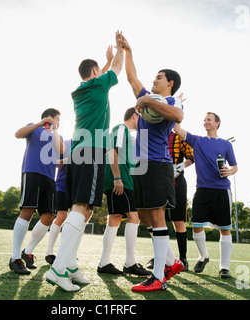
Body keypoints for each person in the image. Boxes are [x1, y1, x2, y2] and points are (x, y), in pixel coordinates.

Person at [45, 31, 125, 291]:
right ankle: (58, 269)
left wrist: (103, 63)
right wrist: (120, 49)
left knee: (86, 210)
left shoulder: (82, 89)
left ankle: (69, 265)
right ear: (94, 72)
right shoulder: (99, 84)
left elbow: (100, 75)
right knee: (80, 208)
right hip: (91, 150)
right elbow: (116, 69)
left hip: (81, 151)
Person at [120, 34, 185, 292]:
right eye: (154, 77)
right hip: (140, 165)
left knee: (157, 216)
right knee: (144, 214)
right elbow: (132, 78)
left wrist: (146, 100)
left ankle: (158, 278)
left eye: (159, 77)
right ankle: (171, 262)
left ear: (170, 83)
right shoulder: (148, 96)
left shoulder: (171, 100)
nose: (154, 79)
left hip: (158, 164)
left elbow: (178, 115)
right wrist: (128, 50)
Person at [173, 112, 238, 279]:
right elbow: (177, 128)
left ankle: (224, 267)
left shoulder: (226, 144)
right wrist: (175, 107)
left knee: (225, 229)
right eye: (204, 120)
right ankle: (203, 256)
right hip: (202, 189)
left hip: (222, 190)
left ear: (217, 123)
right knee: (196, 225)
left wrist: (230, 171)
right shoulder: (197, 141)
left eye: (209, 119)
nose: (205, 122)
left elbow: (235, 166)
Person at [9, 108, 65, 275]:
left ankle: (27, 252)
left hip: (49, 178)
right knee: (27, 211)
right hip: (32, 173)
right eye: (57, 119)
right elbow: (17, 134)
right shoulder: (34, 128)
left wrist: (55, 130)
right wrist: (41, 123)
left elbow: (60, 151)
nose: (59, 122)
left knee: (48, 217)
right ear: (48, 118)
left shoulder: (57, 135)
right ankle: (15, 258)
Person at [97, 107, 151, 277]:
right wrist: (117, 178)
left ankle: (104, 262)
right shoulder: (120, 128)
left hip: (124, 181)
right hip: (120, 181)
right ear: (135, 116)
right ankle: (130, 263)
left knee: (115, 217)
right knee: (133, 217)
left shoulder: (128, 135)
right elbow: (111, 150)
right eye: (140, 118)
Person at [146, 131, 194, 271]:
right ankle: (160, 257)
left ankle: (183, 258)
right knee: (158, 220)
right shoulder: (154, 135)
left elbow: (192, 156)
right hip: (158, 180)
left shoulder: (179, 136)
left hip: (177, 181)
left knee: (178, 220)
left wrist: (180, 167)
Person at [45, 138, 72, 265]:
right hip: (62, 185)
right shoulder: (65, 144)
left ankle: (68, 254)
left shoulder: (88, 146)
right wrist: (69, 160)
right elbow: (53, 163)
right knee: (62, 216)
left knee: (79, 217)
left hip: (78, 188)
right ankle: (49, 253)